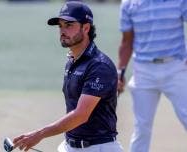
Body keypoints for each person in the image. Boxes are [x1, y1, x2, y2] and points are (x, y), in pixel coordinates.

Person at [12, 1, 123, 152]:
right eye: (60, 26)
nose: (62, 31)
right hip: (69, 146)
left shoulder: (99, 66)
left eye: (69, 25)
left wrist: (39, 134)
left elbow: (81, 115)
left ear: (86, 28)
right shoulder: (71, 60)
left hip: (99, 148)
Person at [118, 0, 187, 152]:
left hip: (176, 67)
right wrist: (120, 73)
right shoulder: (128, 3)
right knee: (141, 128)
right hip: (143, 72)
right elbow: (126, 42)